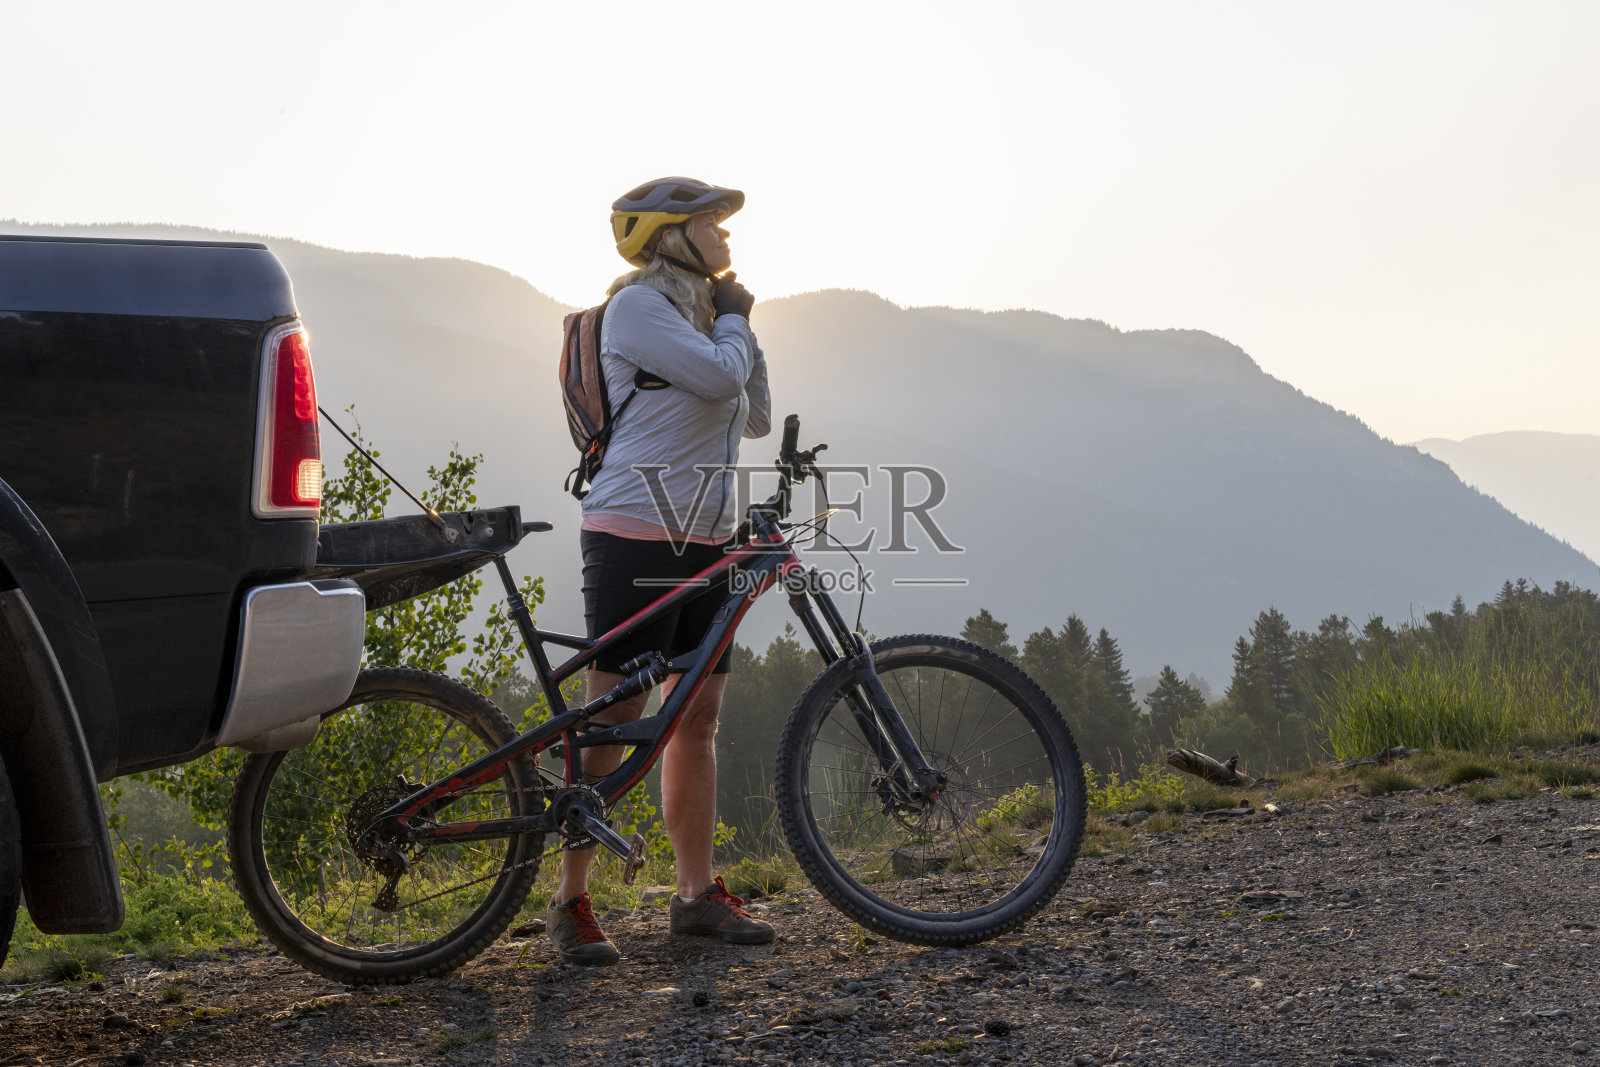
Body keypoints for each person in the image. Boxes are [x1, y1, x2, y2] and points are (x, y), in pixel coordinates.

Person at [547, 177, 773, 966]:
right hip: (634, 535)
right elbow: (720, 380)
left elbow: (754, 413)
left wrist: (737, 325)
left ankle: (695, 895)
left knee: (698, 718)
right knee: (613, 720)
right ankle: (570, 900)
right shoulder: (638, 309)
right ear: (669, 237)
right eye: (711, 222)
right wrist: (735, 324)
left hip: (708, 541)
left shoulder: (707, 319)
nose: (725, 234)